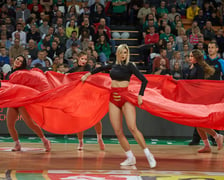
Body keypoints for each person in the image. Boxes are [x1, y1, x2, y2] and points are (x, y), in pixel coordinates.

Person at [81, 44, 156, 168]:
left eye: (125, 53)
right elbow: (99, 69)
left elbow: (144, 80)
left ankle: (149, 155)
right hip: (113, 98)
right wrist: (87, 74)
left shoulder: (130, 66)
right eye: (121, 52)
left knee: (132, 128)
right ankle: (130, 157)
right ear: (118, 53)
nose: (123, 55)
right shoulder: (113, 65)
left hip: (125, 97)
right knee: (117, 131)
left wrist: (140, 95)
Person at [5, 55, 51, 152]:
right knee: (10, 124)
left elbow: (34, 76)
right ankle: (17, 144)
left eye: (20, 61)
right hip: (13, 101)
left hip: (22, 101)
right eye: (17, 59)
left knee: (30, 124)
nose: (18, 61)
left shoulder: (24, 72)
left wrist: (44, 74)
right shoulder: (9, 73)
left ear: (23, 64)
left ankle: (45, 140)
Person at [187, 49, 223, 153]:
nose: (189, 58)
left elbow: (198, 84)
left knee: (199, 122)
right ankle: (207, 145)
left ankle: (217, 136)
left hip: (199, 99)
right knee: (197, 123)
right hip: (194, 98)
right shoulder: (193, 67)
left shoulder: (199, 68)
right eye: (189, 56)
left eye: (191, 56)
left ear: (196, 58)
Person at [68, 51, 105, 151]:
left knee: (96, 119)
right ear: (78, 59)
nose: (84, 61)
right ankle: (80, 142)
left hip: (89, 96)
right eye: (82, 59)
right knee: (78, 121)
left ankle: (99, 138)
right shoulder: (73, 70)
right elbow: (64, 76)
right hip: (78, 98)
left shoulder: (88, 68)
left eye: (85, 59)